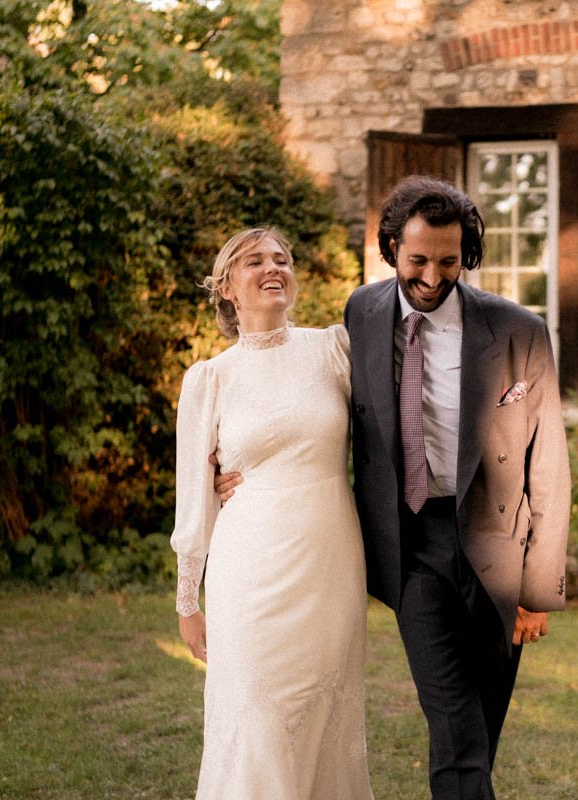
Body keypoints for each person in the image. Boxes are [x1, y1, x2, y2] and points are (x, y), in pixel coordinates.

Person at [218, 176, 571, 799]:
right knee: (454, 723)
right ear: (390, 249)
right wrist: (235, 465)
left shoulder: (518, 330)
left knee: (480, 730)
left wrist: (538, 588)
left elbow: (548, 463)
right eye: (418, 261)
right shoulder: (364, 312)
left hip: (496, 549)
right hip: (412, 549)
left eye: (448, 262)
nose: (432, 277)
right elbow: (300, 391)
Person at [171, 227, 373, 800]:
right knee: (254, 714)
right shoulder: (211, 378)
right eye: (254, 261)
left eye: (281, 259)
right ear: (227, 288)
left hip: (329, 563)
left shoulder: (333, 350)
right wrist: (188, 601)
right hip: (249, 569)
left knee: (327, 713)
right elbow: (193, 496)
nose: (272, 268)